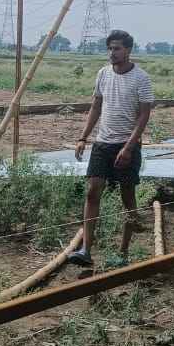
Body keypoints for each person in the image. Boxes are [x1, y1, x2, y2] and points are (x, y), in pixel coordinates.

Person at [68, 29, 154, 270]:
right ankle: (86, 249)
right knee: (92, 192)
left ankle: (124, 252)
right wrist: (83, 137)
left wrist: (128, 147)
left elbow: (144, 116)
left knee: (127, 198)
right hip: (102, 144)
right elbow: (96, 106)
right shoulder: (103, 74)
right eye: (109, 48)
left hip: (127, 146)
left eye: (116, 48)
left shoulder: (141, 78)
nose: (112, 53)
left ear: (128, 50)